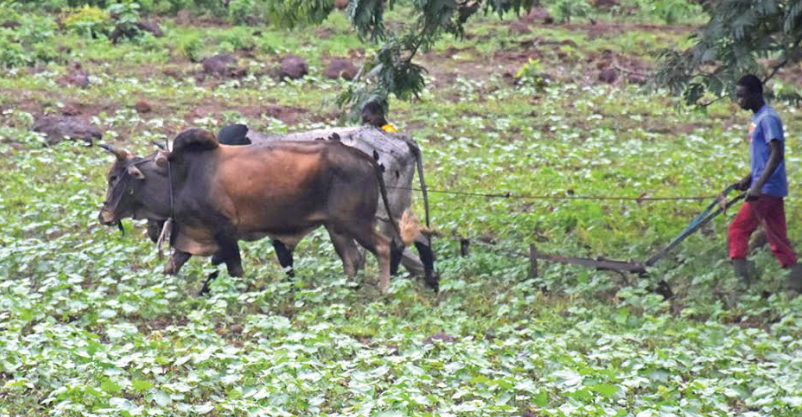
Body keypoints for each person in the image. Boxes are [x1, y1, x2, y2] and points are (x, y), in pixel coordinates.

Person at [728, 74, 802, 293]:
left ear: (755, 95)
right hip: (768, 186)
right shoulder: (757, 118)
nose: (739, 101)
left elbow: (776, 153)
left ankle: (743, 288)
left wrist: (758, 186)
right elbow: (764, 157)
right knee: (778, 237)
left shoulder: (768, 118)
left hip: (766, 189)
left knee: (738, 230)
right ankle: (796, 287)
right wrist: (749, 179)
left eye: (742, 96)